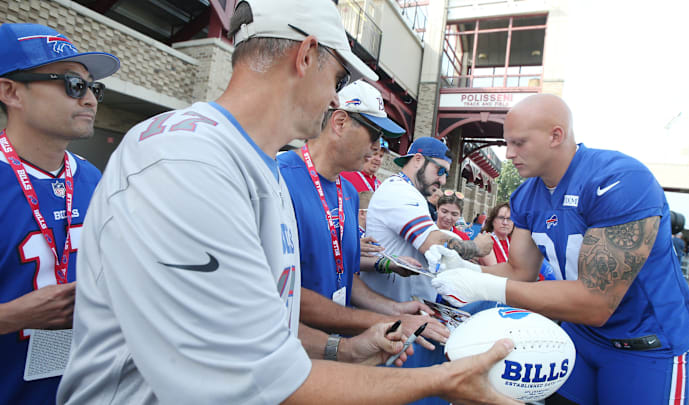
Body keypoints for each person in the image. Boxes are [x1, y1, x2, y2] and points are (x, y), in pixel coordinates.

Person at [56, 2, 518, 404]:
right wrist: (444, 379)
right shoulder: (183, 159)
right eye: (337, 76)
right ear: (306, 55)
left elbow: (259, 324)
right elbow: (245, 380)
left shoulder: (262, 165)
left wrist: (344, 349)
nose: (335, 96)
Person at [430, 94, 689, 405]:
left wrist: (482, 285)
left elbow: (596, 303)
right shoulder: (526, 195)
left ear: (555, 136)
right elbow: (520, 271)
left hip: (645, 343)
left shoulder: (618, 180)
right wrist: (467, 269)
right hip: (582, 336)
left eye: (519, 143)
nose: (509, 154)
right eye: (508, 143)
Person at [0, 23, 119, 404]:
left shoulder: (92, 177)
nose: (89, 100)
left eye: (93, 88)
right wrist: (11, 315)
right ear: (10, 91)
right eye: (72, 84)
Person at [278, 79, 447, 347]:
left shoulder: (349, 192)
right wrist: (385, 322)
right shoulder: (279, 178)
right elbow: (282, 292)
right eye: (374, 134)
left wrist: (395, 309)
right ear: (340, 122)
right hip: (290, 351)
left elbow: (347, 278)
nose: (378, 147)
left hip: (336, 347)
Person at [360, 136, 494, 405]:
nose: (443, 180)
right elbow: (432, 243)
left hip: (406, 318)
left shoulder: (411, 194)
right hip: (391, 323)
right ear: (418, 159)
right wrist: (476, 246)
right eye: (440, 170)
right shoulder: (398, 191)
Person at [477, 202, 512, 266]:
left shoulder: (514, 241)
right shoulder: (485, 240)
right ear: (493, 220)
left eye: (509, 219)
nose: (505, 222)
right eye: (501, 218)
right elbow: (495, 272)